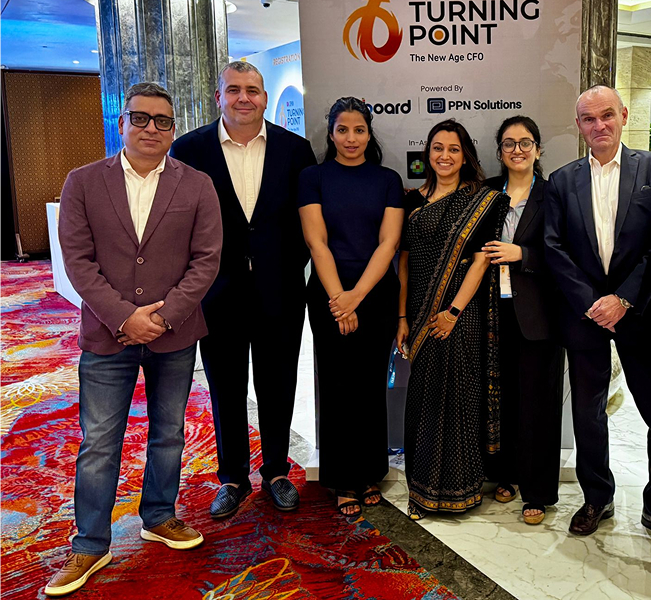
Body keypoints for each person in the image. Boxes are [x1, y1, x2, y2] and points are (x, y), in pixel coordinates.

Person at [47, 83, 222, 596]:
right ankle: (89, 543)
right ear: (121, 123)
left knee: (169, 432)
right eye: (140, 118)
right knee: (99, 442)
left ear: (173, 128)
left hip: (175, 333)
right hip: (107, 336)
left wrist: (163, 318)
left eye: (162, 121)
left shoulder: (197, 185)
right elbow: (78, 261)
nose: (150, 128)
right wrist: (125, 318)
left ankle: (159, 515)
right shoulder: (83, 181)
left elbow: (206, 260)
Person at [544, 85, 651, 552]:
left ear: (624, 115)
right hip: (585, 314)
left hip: (643, 310)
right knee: (588, 414)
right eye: (589, 119)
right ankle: (597, 498)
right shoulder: (562, 180)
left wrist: (623, 299)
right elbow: (553, 248)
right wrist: (594, 302)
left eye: (606, 115)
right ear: (579, 125)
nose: (599, 126)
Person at [170, 62, 317, 519]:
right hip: (217, 293)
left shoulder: (295, 149)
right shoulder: (189, 149)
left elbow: (308, 221)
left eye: (252, 90)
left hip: (281, 291)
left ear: (265, 97)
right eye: (233, 90)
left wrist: (285, 265)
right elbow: (178, 222)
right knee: (225, 387)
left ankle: (275, 472)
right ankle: (232, 478)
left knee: (279, 384)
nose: (244, 98)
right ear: (219, 97)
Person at [396, 119, 508, 520]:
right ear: (428, 153)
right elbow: (404, 262)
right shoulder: (411, 201)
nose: (445, 156)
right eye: (438, 148)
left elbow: (481, 262)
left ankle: (461, 489)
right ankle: (421, 490)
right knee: (423, 401)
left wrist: (454, 312)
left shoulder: (482, 200)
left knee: (459, 399)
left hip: (461, 314)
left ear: (465, 156)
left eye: (454, 149)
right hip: (420, 315)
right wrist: (402, 316)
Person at [298, 97, 404, 518]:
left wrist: (355, 297)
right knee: (337, 385)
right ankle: (343, 479)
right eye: (343, 130)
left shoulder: (388, 179)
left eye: (359, 130)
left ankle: (370, 472)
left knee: (370, 385)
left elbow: (389, 243)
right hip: (329, 293)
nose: (351, 138)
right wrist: (339, 300)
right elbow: (316, 242)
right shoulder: (313, 177)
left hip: (375, 295)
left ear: (369, 133)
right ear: (331, 133)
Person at [482, 116, 565, 525]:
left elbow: (568, 254)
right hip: (491, 313)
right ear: (499, 151)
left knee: (539, 404)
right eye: (509, 143)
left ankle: (537, 491)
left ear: (538, 148)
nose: (518, 149)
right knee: (501, 399)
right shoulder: (485, 194)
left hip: (538, 315)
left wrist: (523, 255)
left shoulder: (554, 195)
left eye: (525, 142)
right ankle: (507, 474)